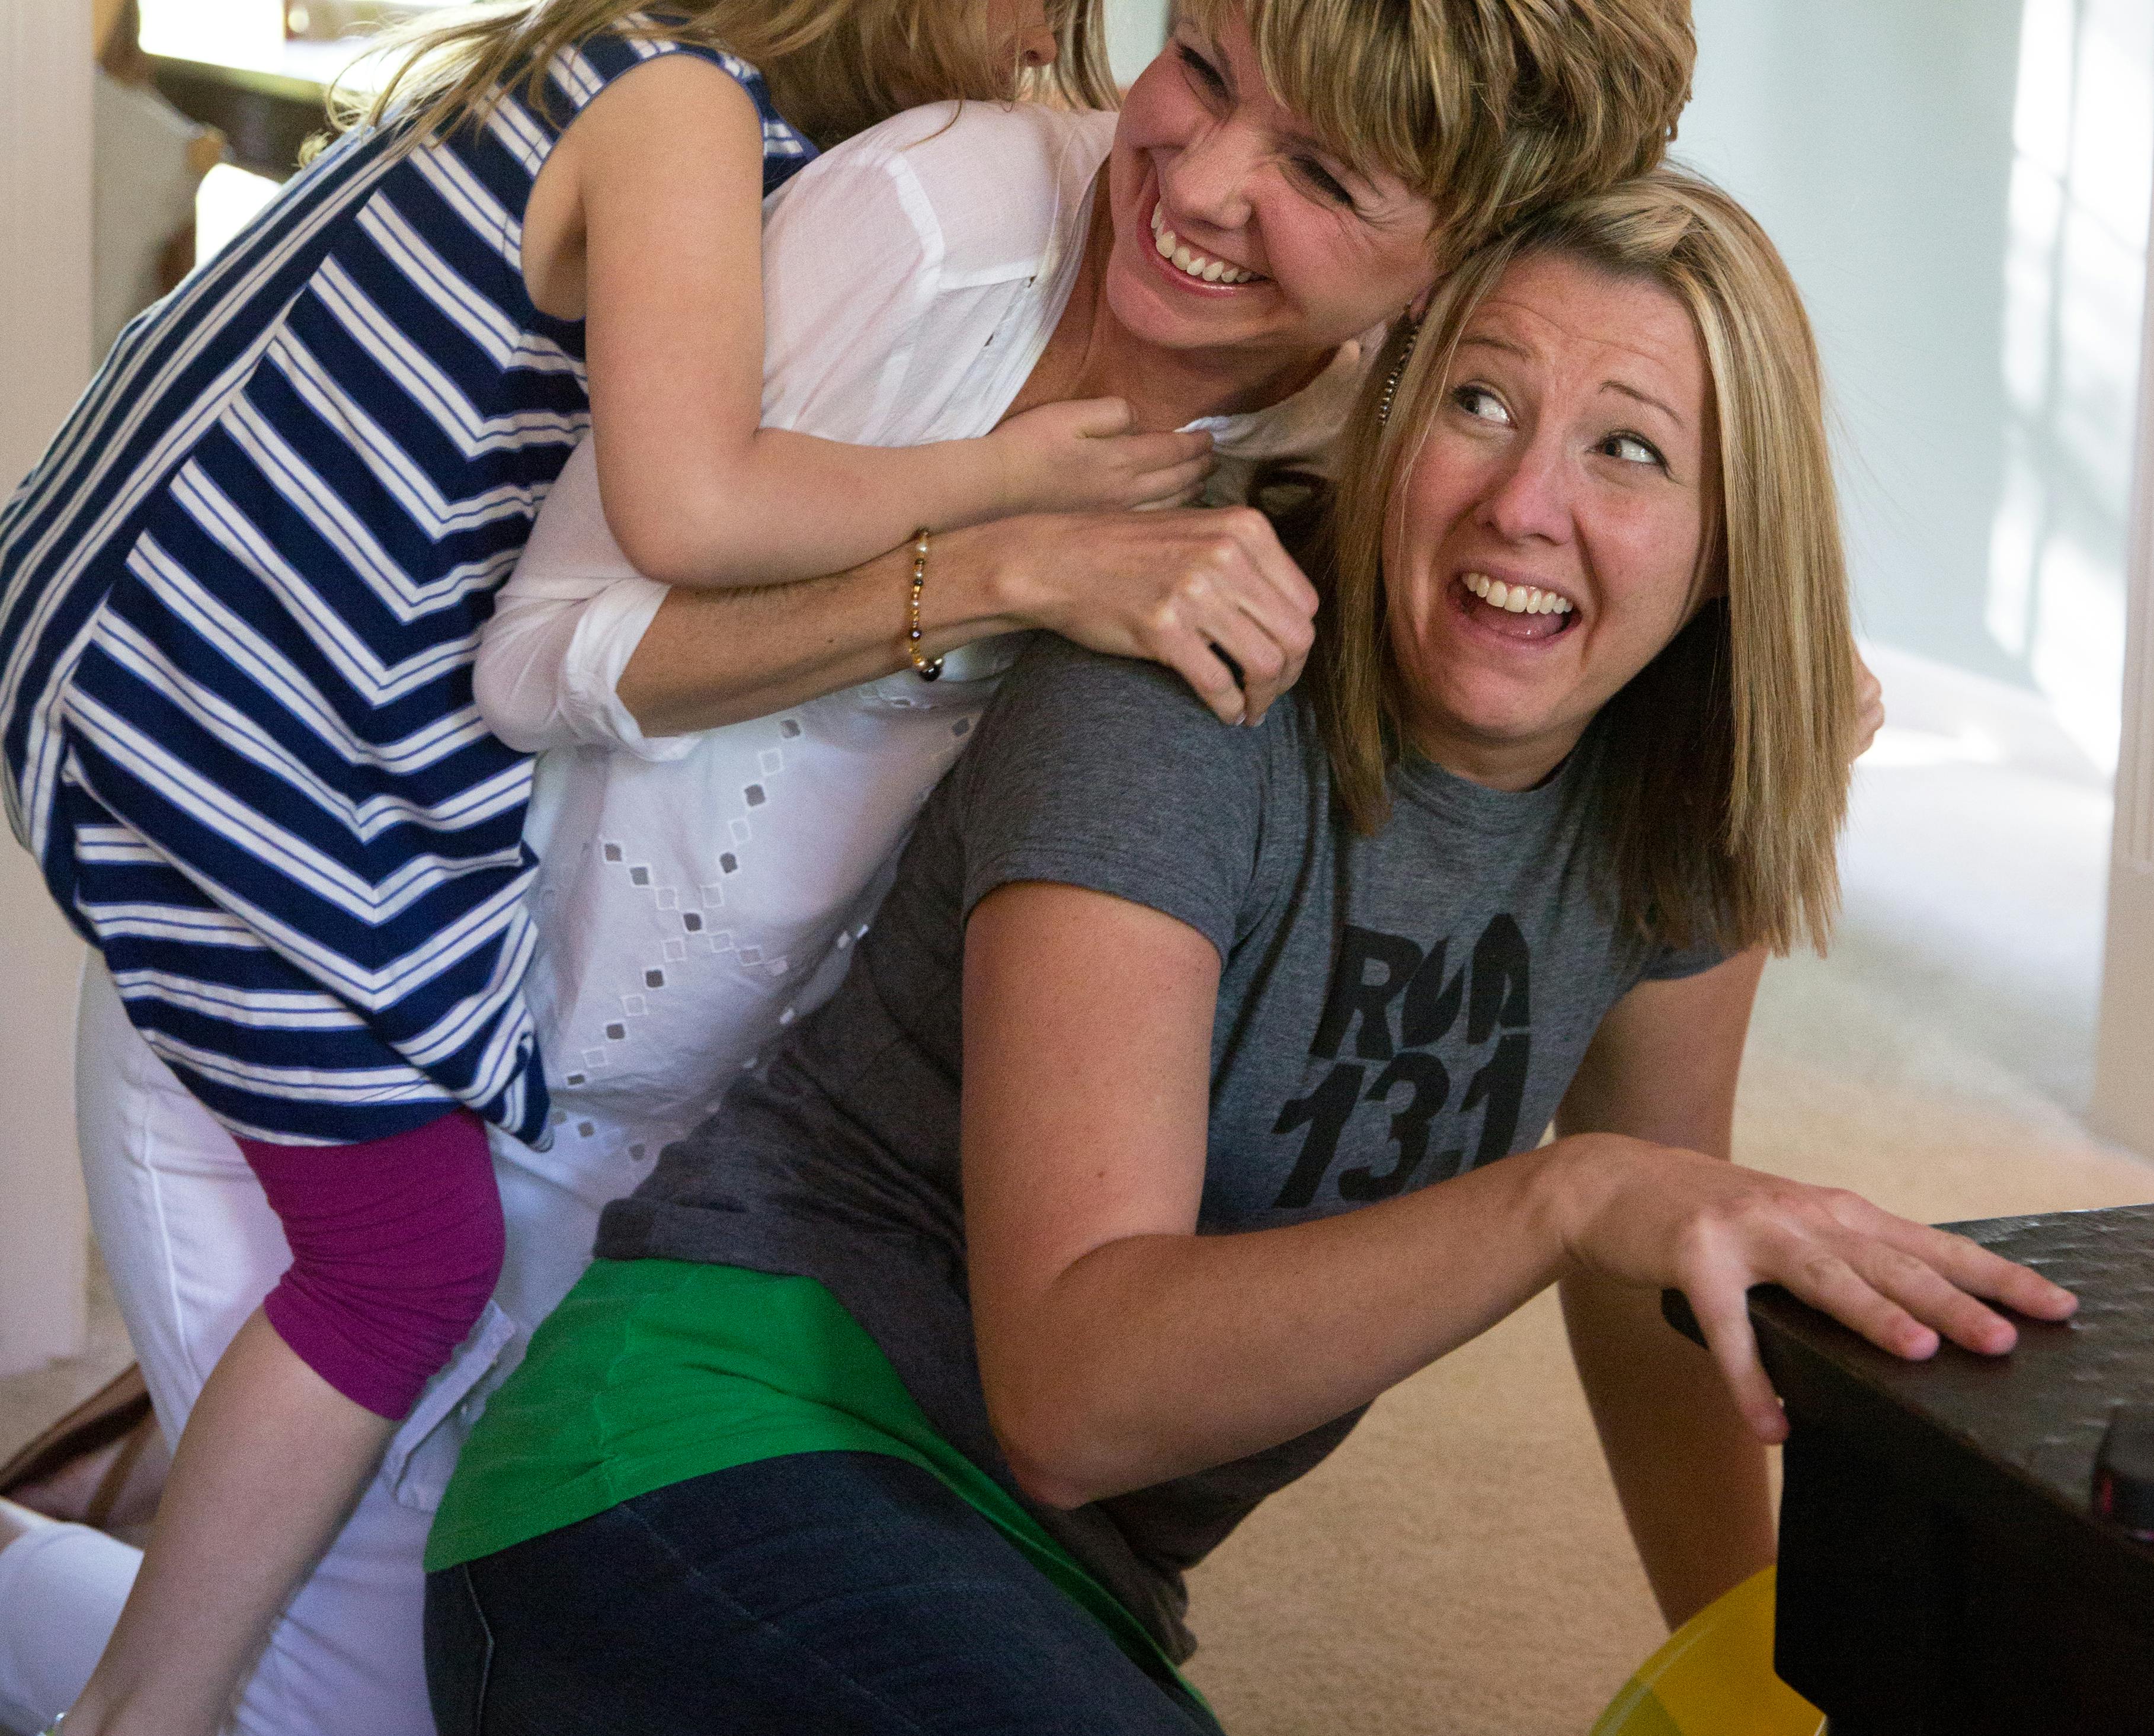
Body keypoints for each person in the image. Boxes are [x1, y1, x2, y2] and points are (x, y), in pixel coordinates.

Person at [423, 169, 2072, 1735]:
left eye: (1628, 449)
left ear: (1732, 539)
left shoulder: (1681, 800)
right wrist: (1568, 1197)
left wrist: (1760, 1672)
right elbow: (1072, 1399)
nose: (1526, 502)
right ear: (1390, 421)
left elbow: (1664, 1270)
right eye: (1478, 404)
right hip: (688, 1458)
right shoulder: (1179, 691)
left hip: (1049, 1587)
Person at [0, 0, 1199, 1736]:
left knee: (415, 1288)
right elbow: (694, 493)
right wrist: (1015, 484)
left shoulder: (657, 96)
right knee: (406, 1262)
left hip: (236, 701)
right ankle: (147, 1711)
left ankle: (98, 1560)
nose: (1031, 41)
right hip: (220, 720)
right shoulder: (669, 107)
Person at [463, 0, 1701, 1300]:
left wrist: (1768, 644)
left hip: (766, 1201)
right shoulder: (936, 223)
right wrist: (997, 572)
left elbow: (1613, 521)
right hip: (440, 1088)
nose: (1197, 179)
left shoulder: (1379, 441)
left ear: (1462, 262)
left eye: (1321, 173)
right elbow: (532, 666)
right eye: (1199, 67)